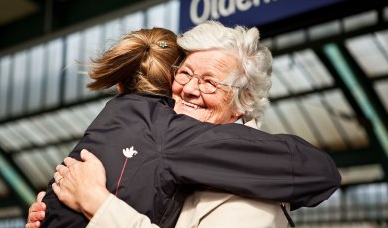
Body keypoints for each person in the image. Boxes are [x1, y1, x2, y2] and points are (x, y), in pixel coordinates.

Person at [27, 21, 341, 228]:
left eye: (210, 82)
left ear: (242, 102)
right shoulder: (156, 142)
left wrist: (98, 203)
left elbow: (321, 173)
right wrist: (56, 212)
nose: (189, 89)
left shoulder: (257, 198)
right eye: (186, 73)